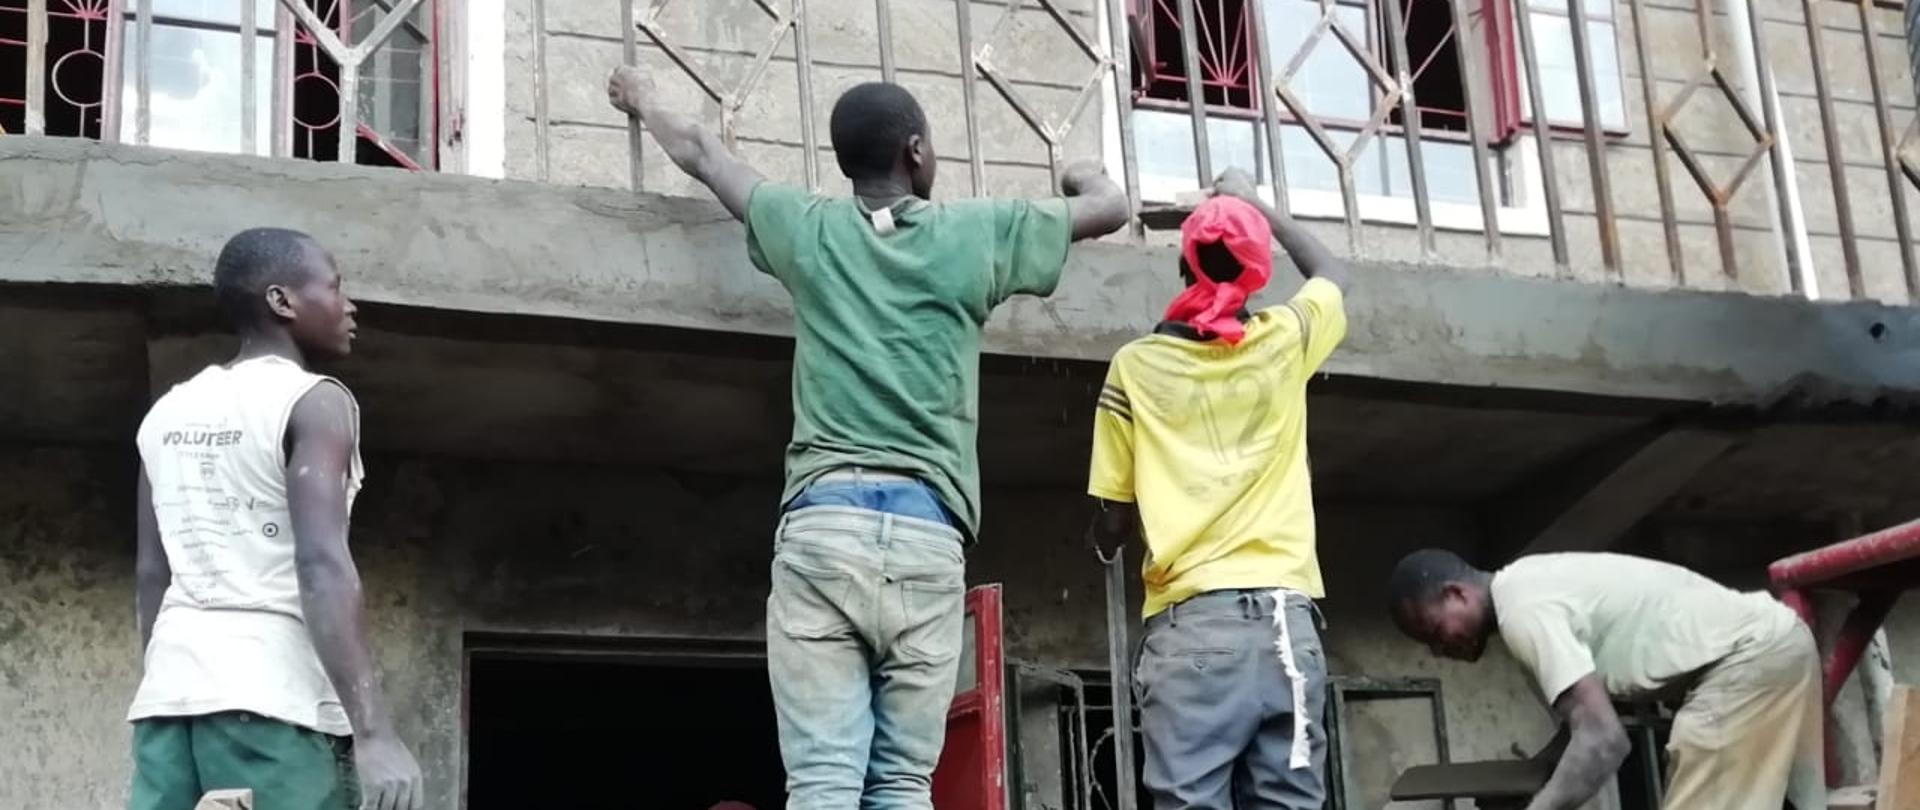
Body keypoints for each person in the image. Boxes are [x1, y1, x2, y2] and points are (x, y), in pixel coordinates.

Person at [607, 66, 1129, 808]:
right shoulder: (975, 235)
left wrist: (641, 96)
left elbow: (701, 151)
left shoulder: (807, 227)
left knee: (823, 781)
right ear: (916, 152)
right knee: (902, 785)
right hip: (925, 541)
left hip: (824, 528)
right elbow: (1108, 209)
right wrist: (1081, 169)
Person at [129, 228, 423, 810]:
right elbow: (321, 564)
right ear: (282, 301)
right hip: (272, 702)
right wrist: (375, 734)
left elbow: (150, 574)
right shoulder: (313, 400)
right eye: (336, 287)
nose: (349, 305)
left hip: (169, 704)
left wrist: (178, 684)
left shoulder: (168, 410)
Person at [1086, 167, 1351, 810]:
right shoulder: (1286, 342)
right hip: (1289, 630)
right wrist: (1254, 201)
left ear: (1183, 266)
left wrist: (1104, 541)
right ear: (1257, 270)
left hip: (1193, 626)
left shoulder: (1136, 368)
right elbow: (1334, 274)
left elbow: (1114, 514)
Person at [1386, 549, 1826, 810]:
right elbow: (1590, 717)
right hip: (1774, 643)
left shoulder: (1523, 611)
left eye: (1435, 632)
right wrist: (1540, 770)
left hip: (1748, 658)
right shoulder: (1528, 584)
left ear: (1456, 594)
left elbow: (1603, 739)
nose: (1440, 650)